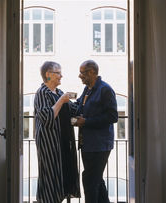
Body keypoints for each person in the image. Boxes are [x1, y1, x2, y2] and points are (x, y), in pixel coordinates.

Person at [72, 60, 118, 203]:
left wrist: (86, 122)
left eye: (82, 73)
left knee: (90, 181)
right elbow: (78, 106)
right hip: (87, 144)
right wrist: (62, 100)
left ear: (92, 72)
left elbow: (112, 116)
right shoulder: (88, 89)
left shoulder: (105, 89)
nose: (80, 76)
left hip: (100, 144)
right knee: (97, 180)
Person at [34, 61, 80, 203]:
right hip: (50, 144)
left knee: (63, 175)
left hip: (63, 143)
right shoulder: (42, 93)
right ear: (48, 75)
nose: (61, 76)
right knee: (51, 176)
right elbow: (47, 118)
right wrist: (61, 100)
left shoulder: (59, 93)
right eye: (58, 73)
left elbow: (74, 110)